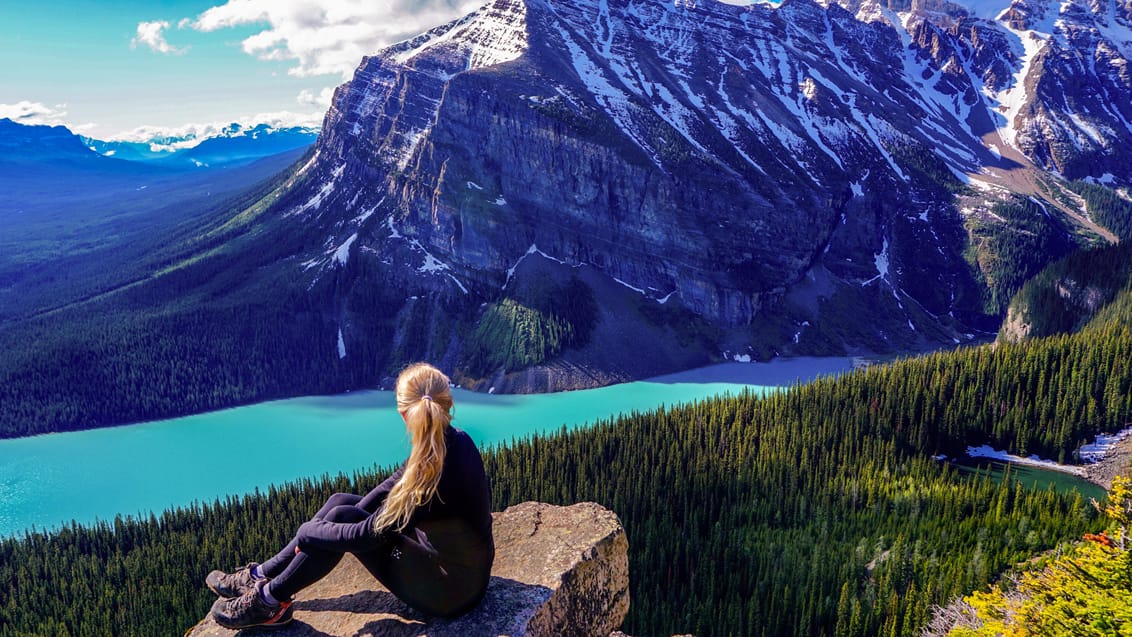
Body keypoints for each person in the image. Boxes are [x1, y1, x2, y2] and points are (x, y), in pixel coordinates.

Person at [205, 362, 494, 629]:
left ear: (404, 414)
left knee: (340, 518)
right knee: (341, 502)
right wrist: (324, 527)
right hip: (460, 576)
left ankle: (269, 602)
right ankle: (260, 576)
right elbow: (388, 488)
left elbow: (366, 536)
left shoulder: (428, 473)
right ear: (447, 404)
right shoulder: (454, 441)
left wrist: (309, 532)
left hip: (446, 592)